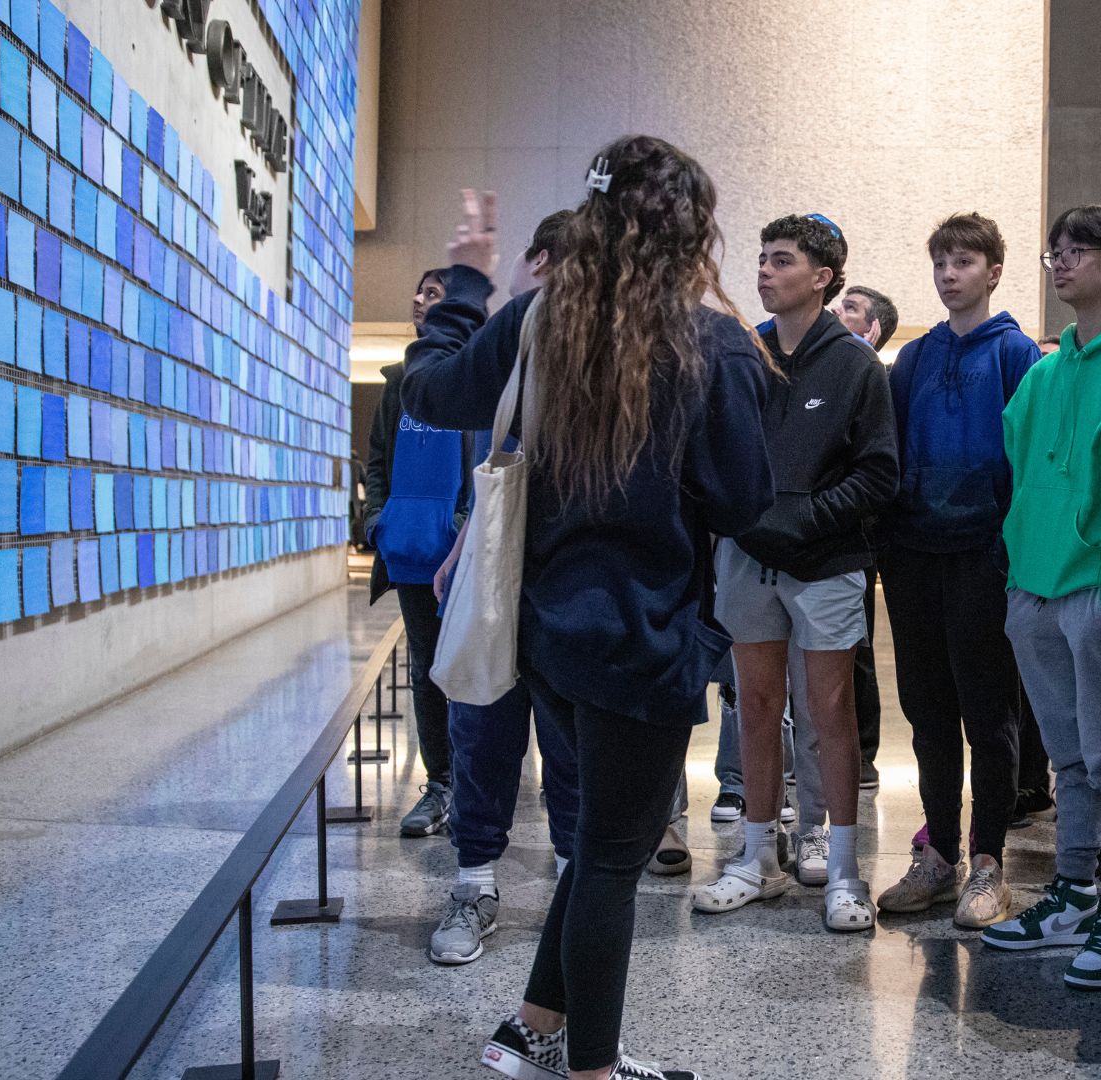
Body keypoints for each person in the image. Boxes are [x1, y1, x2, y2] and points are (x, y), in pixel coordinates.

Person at [401, 139, 775, 1080]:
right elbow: (744, 502)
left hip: (545, 636)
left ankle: (531, 1026)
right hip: (644, 641)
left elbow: (432, 391)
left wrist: (463, 287)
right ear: (691, 230)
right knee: (613, 859)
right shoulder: (712, 344)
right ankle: (594, 1071)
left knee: (601, 847)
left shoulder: (535, 319)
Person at [978, 204, 1101, 991]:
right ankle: (1070, 892)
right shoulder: (1044, 370)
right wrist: (1017, 575)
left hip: (1100, 593)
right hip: (1033, 589)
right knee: (1067, 759)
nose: (1059, 263)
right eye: (1053, 251)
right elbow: (1021, 472)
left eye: (1078, 251)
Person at [691, 213, 897, 932]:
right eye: (762, 258)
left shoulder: (857, 366)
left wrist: (797, 526)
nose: (764, 271)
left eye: (782, 260)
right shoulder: (742, 356)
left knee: (828, 713)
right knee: (752, 707)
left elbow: (877, 476)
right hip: (748, 558)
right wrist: (750, 525)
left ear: (823, 276)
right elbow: (714, 459)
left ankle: (841, 868)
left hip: (827, 562)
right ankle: (755, 859)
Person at [425, 212, 589, 966]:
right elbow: (500, 461)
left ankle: (575, 888)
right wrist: (467, 540)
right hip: (505, 570)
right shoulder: (523, 336)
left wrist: (467, 284)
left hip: (577, 586)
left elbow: (434, 387)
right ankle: (475, 881)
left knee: (570, 746)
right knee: (482, 725)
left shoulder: (625, 341)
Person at [872, 212, 1041, 928]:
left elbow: (1030, 462)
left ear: (993, 271)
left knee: (988, 712)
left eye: (964, 262)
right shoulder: (911, 359)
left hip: (984, 554)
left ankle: (987, 864)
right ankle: (937, 853)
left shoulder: (1017, 353)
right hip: (916, 557)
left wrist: (1014, 553)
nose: (949, 274)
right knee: (927, 710)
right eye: (941, 262)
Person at [363, 268, 474, 838]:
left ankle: (483, 781)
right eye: (419, 291)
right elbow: (377, 460)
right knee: (427, 669)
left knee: (480, 669)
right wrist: (378, 519)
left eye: (433, 294)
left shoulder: (480, 374)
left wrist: (462, 525)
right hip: (410, 551)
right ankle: (442, 783)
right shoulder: (397, 381)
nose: (418, 300)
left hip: (468, 549)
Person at [831, 282, 899, 790]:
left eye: (850, 308)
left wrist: (864, 355)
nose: (837, 310)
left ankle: (863, 755)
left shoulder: (873, 373)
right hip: (800, 530)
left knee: (856, 648)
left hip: (855, 532)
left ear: (873, 330)